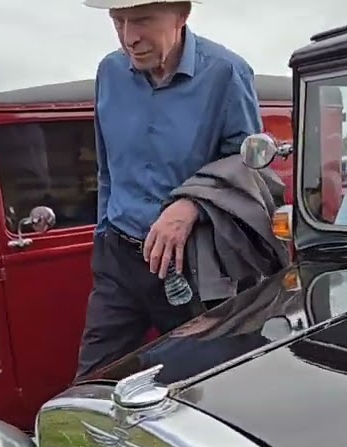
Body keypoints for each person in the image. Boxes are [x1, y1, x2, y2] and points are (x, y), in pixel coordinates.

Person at [75, 0, 262, 379]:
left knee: (205, 388)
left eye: (142, 20)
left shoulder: (227, 72)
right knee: (91, 385)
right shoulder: (108, 72)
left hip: (194, 265)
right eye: (118, 21)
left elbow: (250, 166)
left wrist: (190, 203)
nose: (130, 37)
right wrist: (102, 241)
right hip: (120, 260)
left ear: (182, 15)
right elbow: (107, 168)